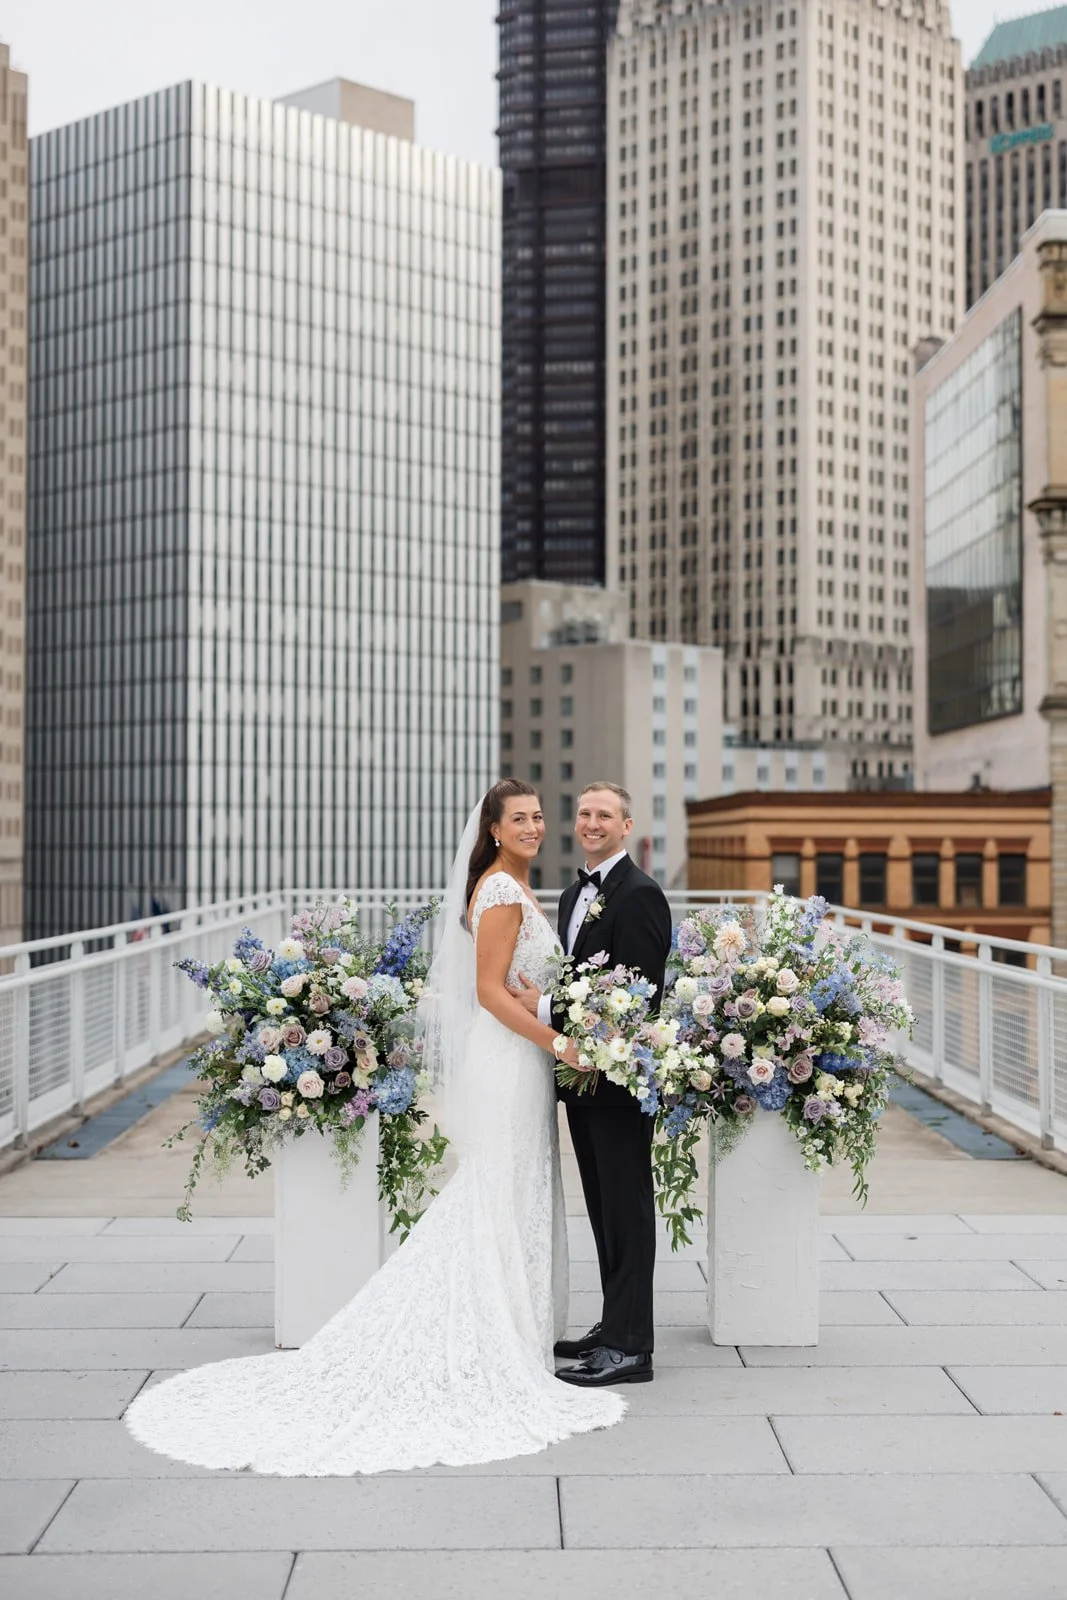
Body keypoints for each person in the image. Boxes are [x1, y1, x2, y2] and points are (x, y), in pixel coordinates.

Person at [124, 780, 626, 1475]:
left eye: (540, 817)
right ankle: (492, 1336)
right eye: (521, 819)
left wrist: (543, 1010)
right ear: (493, 827)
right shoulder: (502, 891)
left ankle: (515, 1326)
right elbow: (486, 994)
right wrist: (558, 1044)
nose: (536, 827)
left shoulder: (509, 884)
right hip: (513, 1061)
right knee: (498, 1188)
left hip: (519, 1058)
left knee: (513, 1188)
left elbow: (511, 983)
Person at [508, 782, 672, 1387]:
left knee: (626, 1206)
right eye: (584, 813)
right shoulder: (576, 892)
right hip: (580, 1077)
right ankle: (614, 1323)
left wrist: (545, 1006)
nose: (592, 822)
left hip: (621, 1078)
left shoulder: (641, 895)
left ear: (626, 826)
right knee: (602, 1206)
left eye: (605, 815)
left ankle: (633, 1349)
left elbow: (639, 997)